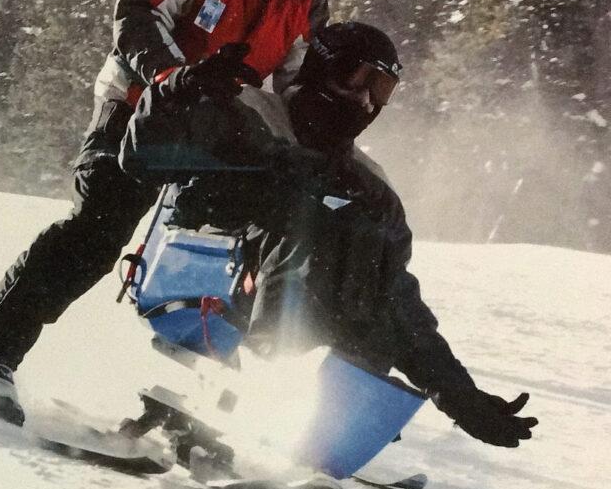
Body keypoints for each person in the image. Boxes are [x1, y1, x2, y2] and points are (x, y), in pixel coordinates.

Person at [0, 0, 337, 424]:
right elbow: (134, 15)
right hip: (139, 104)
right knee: (98, 232)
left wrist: (324, 139)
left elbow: (295, 79)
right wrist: (175, 77)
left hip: (220, 127)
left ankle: (218, 400)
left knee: (255, 241)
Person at [118, 24, 538, 448]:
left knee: (368, 262)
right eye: (358, 78)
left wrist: (461, 397)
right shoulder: (247, 111)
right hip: (195, 275)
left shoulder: (368, 184)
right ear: (321, 68)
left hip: (277, 309)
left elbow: (394, 295)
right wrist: (174, 92)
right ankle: (265, 386)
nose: (364, 99)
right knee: (312, 222)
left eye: (382, 89)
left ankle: (327, 414)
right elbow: (144, 154)